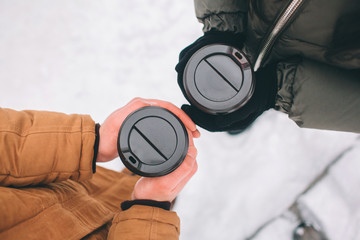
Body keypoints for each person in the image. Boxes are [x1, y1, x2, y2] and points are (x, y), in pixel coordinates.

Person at [0, 97, 200, 240]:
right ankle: (143, 186)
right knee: (126, 198)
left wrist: (89, 143)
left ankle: (136, 177)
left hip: (60, 184)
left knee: (115, 187)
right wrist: (150, 211)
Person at [176, 0, 360, 133]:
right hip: (251, 17)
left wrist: (275, 90)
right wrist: (223, 21)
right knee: (238, 93)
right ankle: (241, 102)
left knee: (245, 98)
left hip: (315, 66)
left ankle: (246, 102)